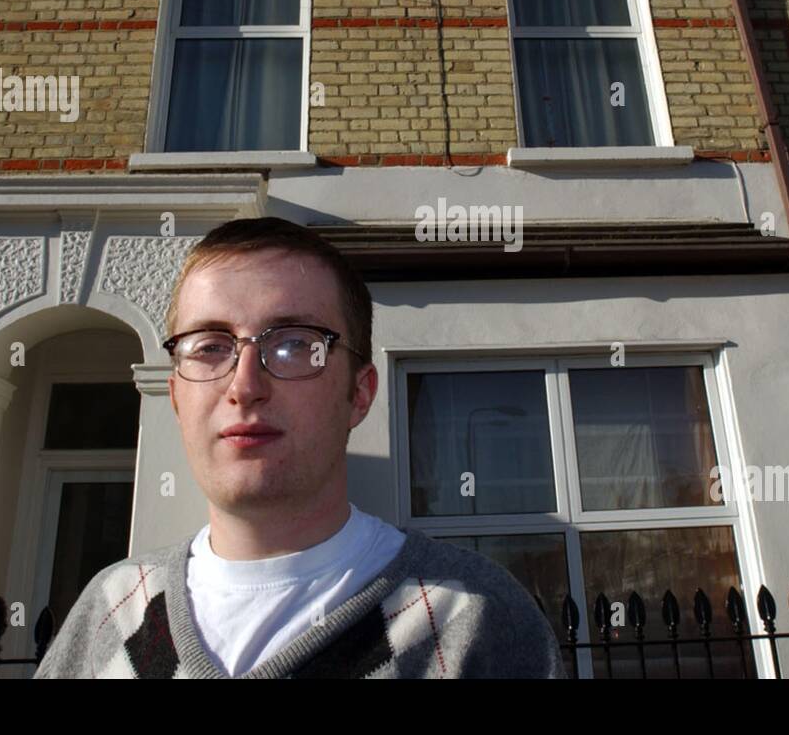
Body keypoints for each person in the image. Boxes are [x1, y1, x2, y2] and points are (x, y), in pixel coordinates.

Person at [34, 217, 566, 679]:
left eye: (293, 345)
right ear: (176, 394)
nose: (244, 385)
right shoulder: (111, 609)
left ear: (358, 394)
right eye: (211, 347)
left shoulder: (474, 617)